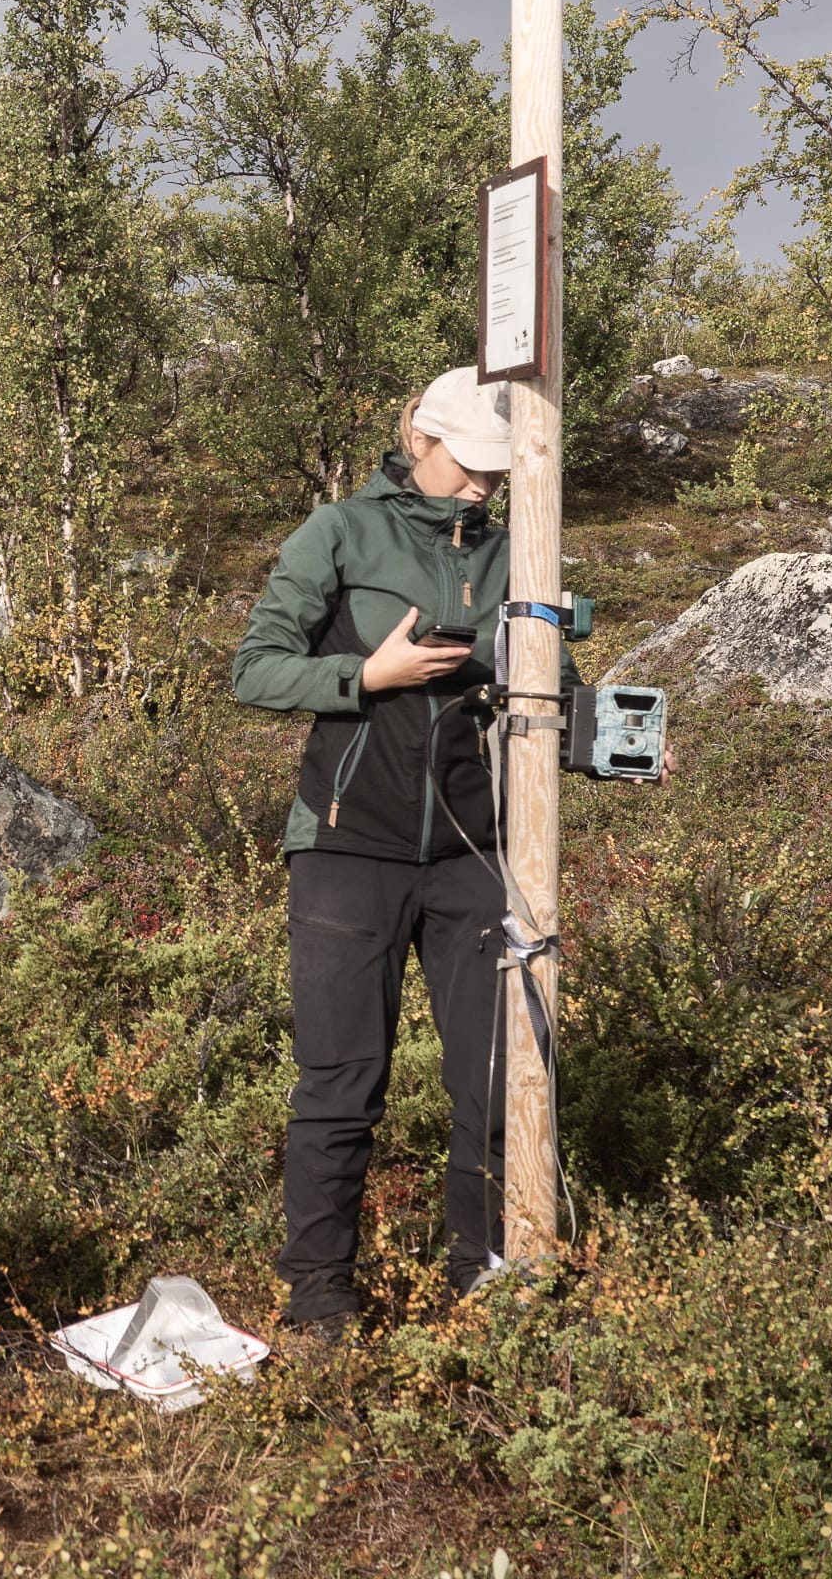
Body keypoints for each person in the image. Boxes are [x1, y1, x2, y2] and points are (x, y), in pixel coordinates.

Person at [229, 365, 575, 1339]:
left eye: (496, 471)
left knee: (496, 1082)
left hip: (477, 850)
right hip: (348, 847)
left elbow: (561, 688)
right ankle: (320, 1306)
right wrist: (363, 673)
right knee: (341, 1083)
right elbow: (253, 668)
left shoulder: (521, 551)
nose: (482, 485)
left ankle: (485, 1287)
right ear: (420, 436)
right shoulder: (338, 532)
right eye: (469, 464)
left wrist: (612, 741)